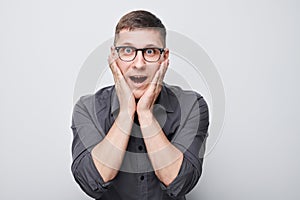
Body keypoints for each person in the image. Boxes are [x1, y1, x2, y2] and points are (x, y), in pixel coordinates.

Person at [70, 10, 209, 200]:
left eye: (150, 51)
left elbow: (180, 182)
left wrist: (144, 113)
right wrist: (126, 113)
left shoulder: (192, 105)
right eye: (128, 51)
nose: (139, 64)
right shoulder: (87, 108)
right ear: (113, 56)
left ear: (164, 57)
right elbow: (92, 181)